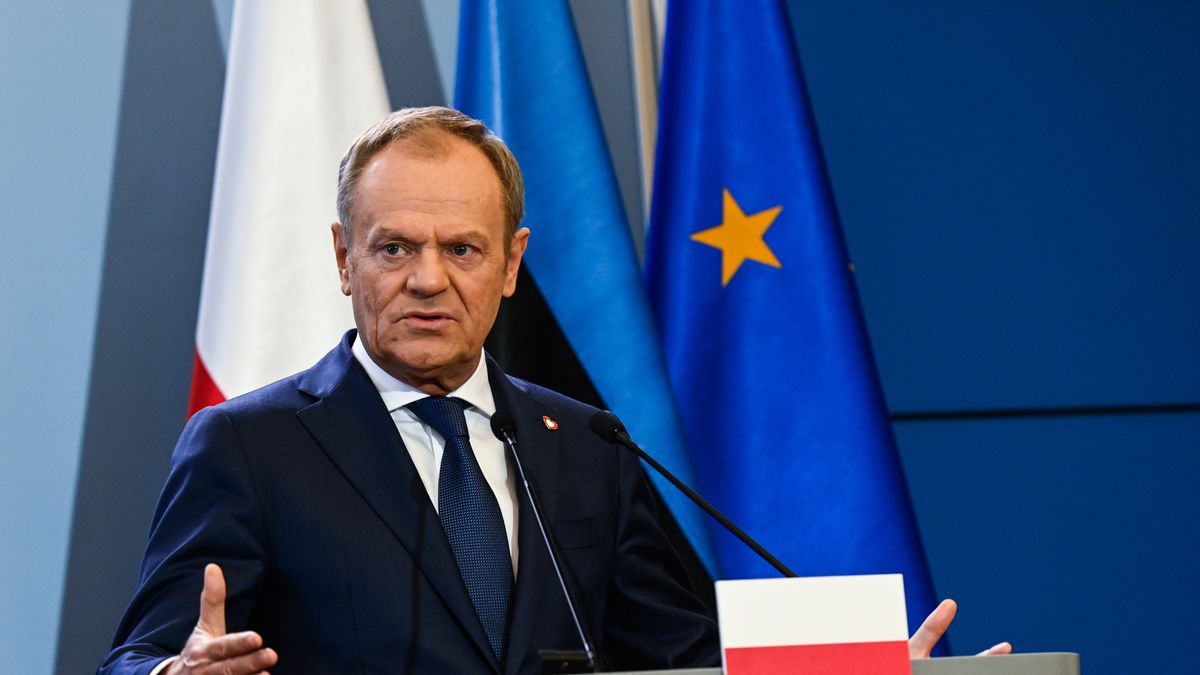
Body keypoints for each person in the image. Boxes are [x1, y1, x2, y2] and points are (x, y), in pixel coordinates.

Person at [99, 107, 1007, 674]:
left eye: (462, 248)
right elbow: (139, 654)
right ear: (345, 259)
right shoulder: (249, 446)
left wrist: (864, 674)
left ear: (510, 264)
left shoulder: (586, 444)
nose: (427, 279)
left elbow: (683, 662)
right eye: (394, 247)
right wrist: (172, 674)